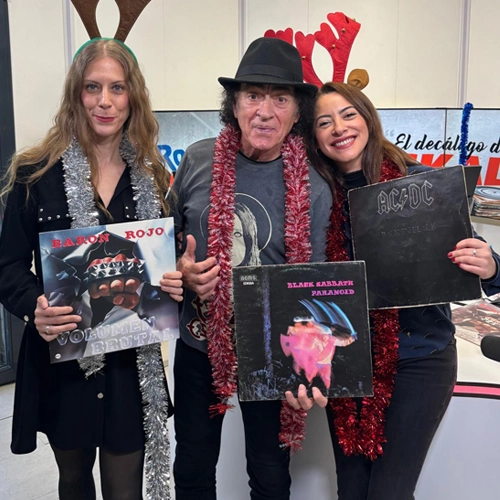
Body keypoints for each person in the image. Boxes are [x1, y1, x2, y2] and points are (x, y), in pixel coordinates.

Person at [0, 39, 182, 500]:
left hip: (131, 364)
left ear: (132, 97)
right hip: (64, 357)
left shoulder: (152, 177)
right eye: (92, 87)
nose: (105, 101)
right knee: (74, 481)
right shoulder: (35, 173)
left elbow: (164, 267)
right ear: (75, 95)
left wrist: (176, 279)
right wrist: (34, 307)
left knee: (126, 490)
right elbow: (8, 267)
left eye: (117, 88)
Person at [302, 81, 500, 500]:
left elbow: (480, 262)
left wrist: (490, 265)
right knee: (351, 490)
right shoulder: (317, 201)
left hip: (419, 358)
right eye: (324, 122)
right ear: (314, 137)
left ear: (368, 119)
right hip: (347, 362)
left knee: (389, 493)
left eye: (348, 114)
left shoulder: (423, 184)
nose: (339, 128)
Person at [171, 37, 332, 499]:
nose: (264, 111)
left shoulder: (315, 184)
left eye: (280, 99)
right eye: (253, 96)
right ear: (235, 105)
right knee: (192, 467)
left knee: (269, 474)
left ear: (297, 112)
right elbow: (164, 242)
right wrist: (181, 269)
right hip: (199, 342)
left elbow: (318, 287)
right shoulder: (198, 159)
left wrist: (311, 363)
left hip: (272, 350)